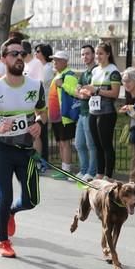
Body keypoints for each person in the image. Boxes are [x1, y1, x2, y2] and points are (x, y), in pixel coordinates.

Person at [0, 38, 47, 258]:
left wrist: (39, 123)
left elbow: (42, 112)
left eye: (21, 53)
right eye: (13, 53)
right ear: (4, 58)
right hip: (3, 150)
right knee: (4, 197)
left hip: (26, 151)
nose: (19, 57)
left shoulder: (35, 86)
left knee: (31, 200)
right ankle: (2, 241)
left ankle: (12, 212)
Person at [80, 42, 121, 181]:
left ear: (108, 54)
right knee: (97, 144)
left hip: (107, 112)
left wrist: (96, 90)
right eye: (97, 53)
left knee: (106, 144)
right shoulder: (95, 70)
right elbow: (92, 89)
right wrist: (87, 92)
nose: (98, 56)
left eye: (101, 53)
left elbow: (115, 93)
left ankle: (108, 175)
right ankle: (99, 172)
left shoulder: (113, 70)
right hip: (93, 110)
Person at [47, 50, 79, 180]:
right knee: (60, 143)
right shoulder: (58, 75)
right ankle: (63, 168)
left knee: (65, 143)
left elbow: (75, 93)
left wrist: (63, 85)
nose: (55, 62)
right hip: (56, 116)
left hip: (64, 117)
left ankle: (67, 170)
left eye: (58, 60)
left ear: (65, 62)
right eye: (54, 60)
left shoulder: (69, 76)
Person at [75, 44, 97, 182]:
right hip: (82, 113)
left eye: (87, 54)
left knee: (91, 145)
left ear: (93, 55)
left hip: (91, 113)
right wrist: (82, 92)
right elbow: (77, 92)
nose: (85, 57)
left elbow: (90, 93)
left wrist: (83, 92)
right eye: (83, 54)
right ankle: (83, 170)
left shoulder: (96, 72)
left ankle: (92, 172)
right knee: (79, 144)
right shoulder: (83, 74)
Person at [34, 43, 54, 168]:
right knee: (37, 134)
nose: (35, 53)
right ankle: (39, 159)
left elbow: (39, 83)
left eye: (38, 51)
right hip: (36, 105)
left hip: (45, 105)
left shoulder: (47, 68)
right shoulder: (38, 67)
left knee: (42, 133)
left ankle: (43, 161)